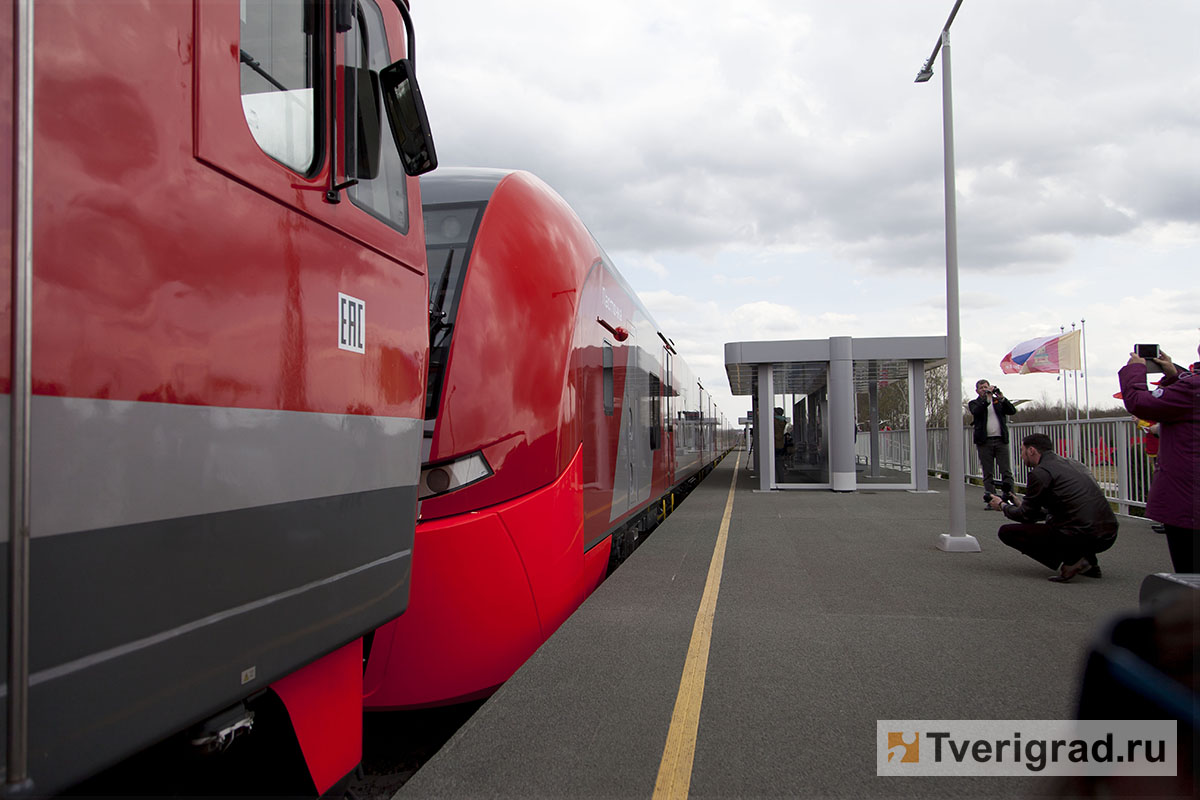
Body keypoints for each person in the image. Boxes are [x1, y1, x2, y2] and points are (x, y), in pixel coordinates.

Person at [988, 433, 1119, 582]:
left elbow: (1026, 517)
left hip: (1080, 534)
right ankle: (1089, 563)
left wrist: (1002, 505)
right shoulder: (1075, 464)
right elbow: (1066, 508)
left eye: (1021, 450)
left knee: (1007, 532)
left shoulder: (1040, 472)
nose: (1021, 455)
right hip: (1108, 534)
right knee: (1061, 522)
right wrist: (1021, 505)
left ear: (1031, 450)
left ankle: (1072, 560)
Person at [1118, 342, 1199, 572]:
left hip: (1189, 499)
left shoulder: (1194, 388)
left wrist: (1135, 370)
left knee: (1190, 573)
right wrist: (1176, 376)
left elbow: (1141, 403)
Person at [969, 379, 1017, 506]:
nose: (984, 389)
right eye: (982, 388)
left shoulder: (997, 402)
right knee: (988, 471)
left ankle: (1010, 497)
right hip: (984, 441)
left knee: (1006, 471)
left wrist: (1001, 397)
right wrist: (987, 399)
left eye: (986, 387)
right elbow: (977, 411)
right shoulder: (975, 403)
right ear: (977, 391)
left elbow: (1012, 411)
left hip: (1001, 440)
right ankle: (992, 499)